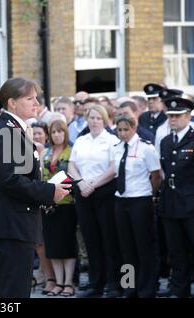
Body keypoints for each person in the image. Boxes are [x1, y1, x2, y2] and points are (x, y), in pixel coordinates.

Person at [0, 77, 71, 298]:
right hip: (12, 223)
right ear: (12, 102)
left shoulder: (12, 129)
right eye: (29, 98)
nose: (36, 103)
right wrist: (49, 191)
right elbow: (10, 179)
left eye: (36, 98)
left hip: (16, 221)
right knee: (13, 292)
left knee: (10, 290)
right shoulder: (6, 131)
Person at [68, 104, 122, 298]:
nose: (94, 121)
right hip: (83, 192)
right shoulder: (81, 141)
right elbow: (72, 165)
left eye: (99, 118)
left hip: (105, 192)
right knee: (90, 239)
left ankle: (114, 283)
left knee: (109, 239)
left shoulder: (112, 140)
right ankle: (95, 284)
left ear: (105, 120)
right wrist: (81, 183)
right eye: (91, 117)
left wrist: (94, 184)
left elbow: (113, 167)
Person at [159, 97, 194, 298]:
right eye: (170, 116)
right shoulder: (166, 142)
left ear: (188, 116)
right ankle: (179, 288)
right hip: (171, 202)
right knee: (175, 250)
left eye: (177, 116)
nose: (173, 119)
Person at [111, 116, 161, 298]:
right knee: (126, 247)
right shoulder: (116, 148)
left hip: (140, 200)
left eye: (126, 129)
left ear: (134, 128)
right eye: (119, 130)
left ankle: (146, 289)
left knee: (144, 246)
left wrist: (152, 194)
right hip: (121, 200)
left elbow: (156, 175)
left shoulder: (146, 148)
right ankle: (129, 287)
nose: (123, 133)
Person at [41, 120, 77, 297]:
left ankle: (69, 282)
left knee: (67, 243)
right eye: (53, 132)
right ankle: (58, 281)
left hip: (66, 203)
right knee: (52, 244)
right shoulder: (46, 152)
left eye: (59, 132)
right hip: (49, 205)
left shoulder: (71, 152)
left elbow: (74, 175)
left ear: (65, 133)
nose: (56, 135)